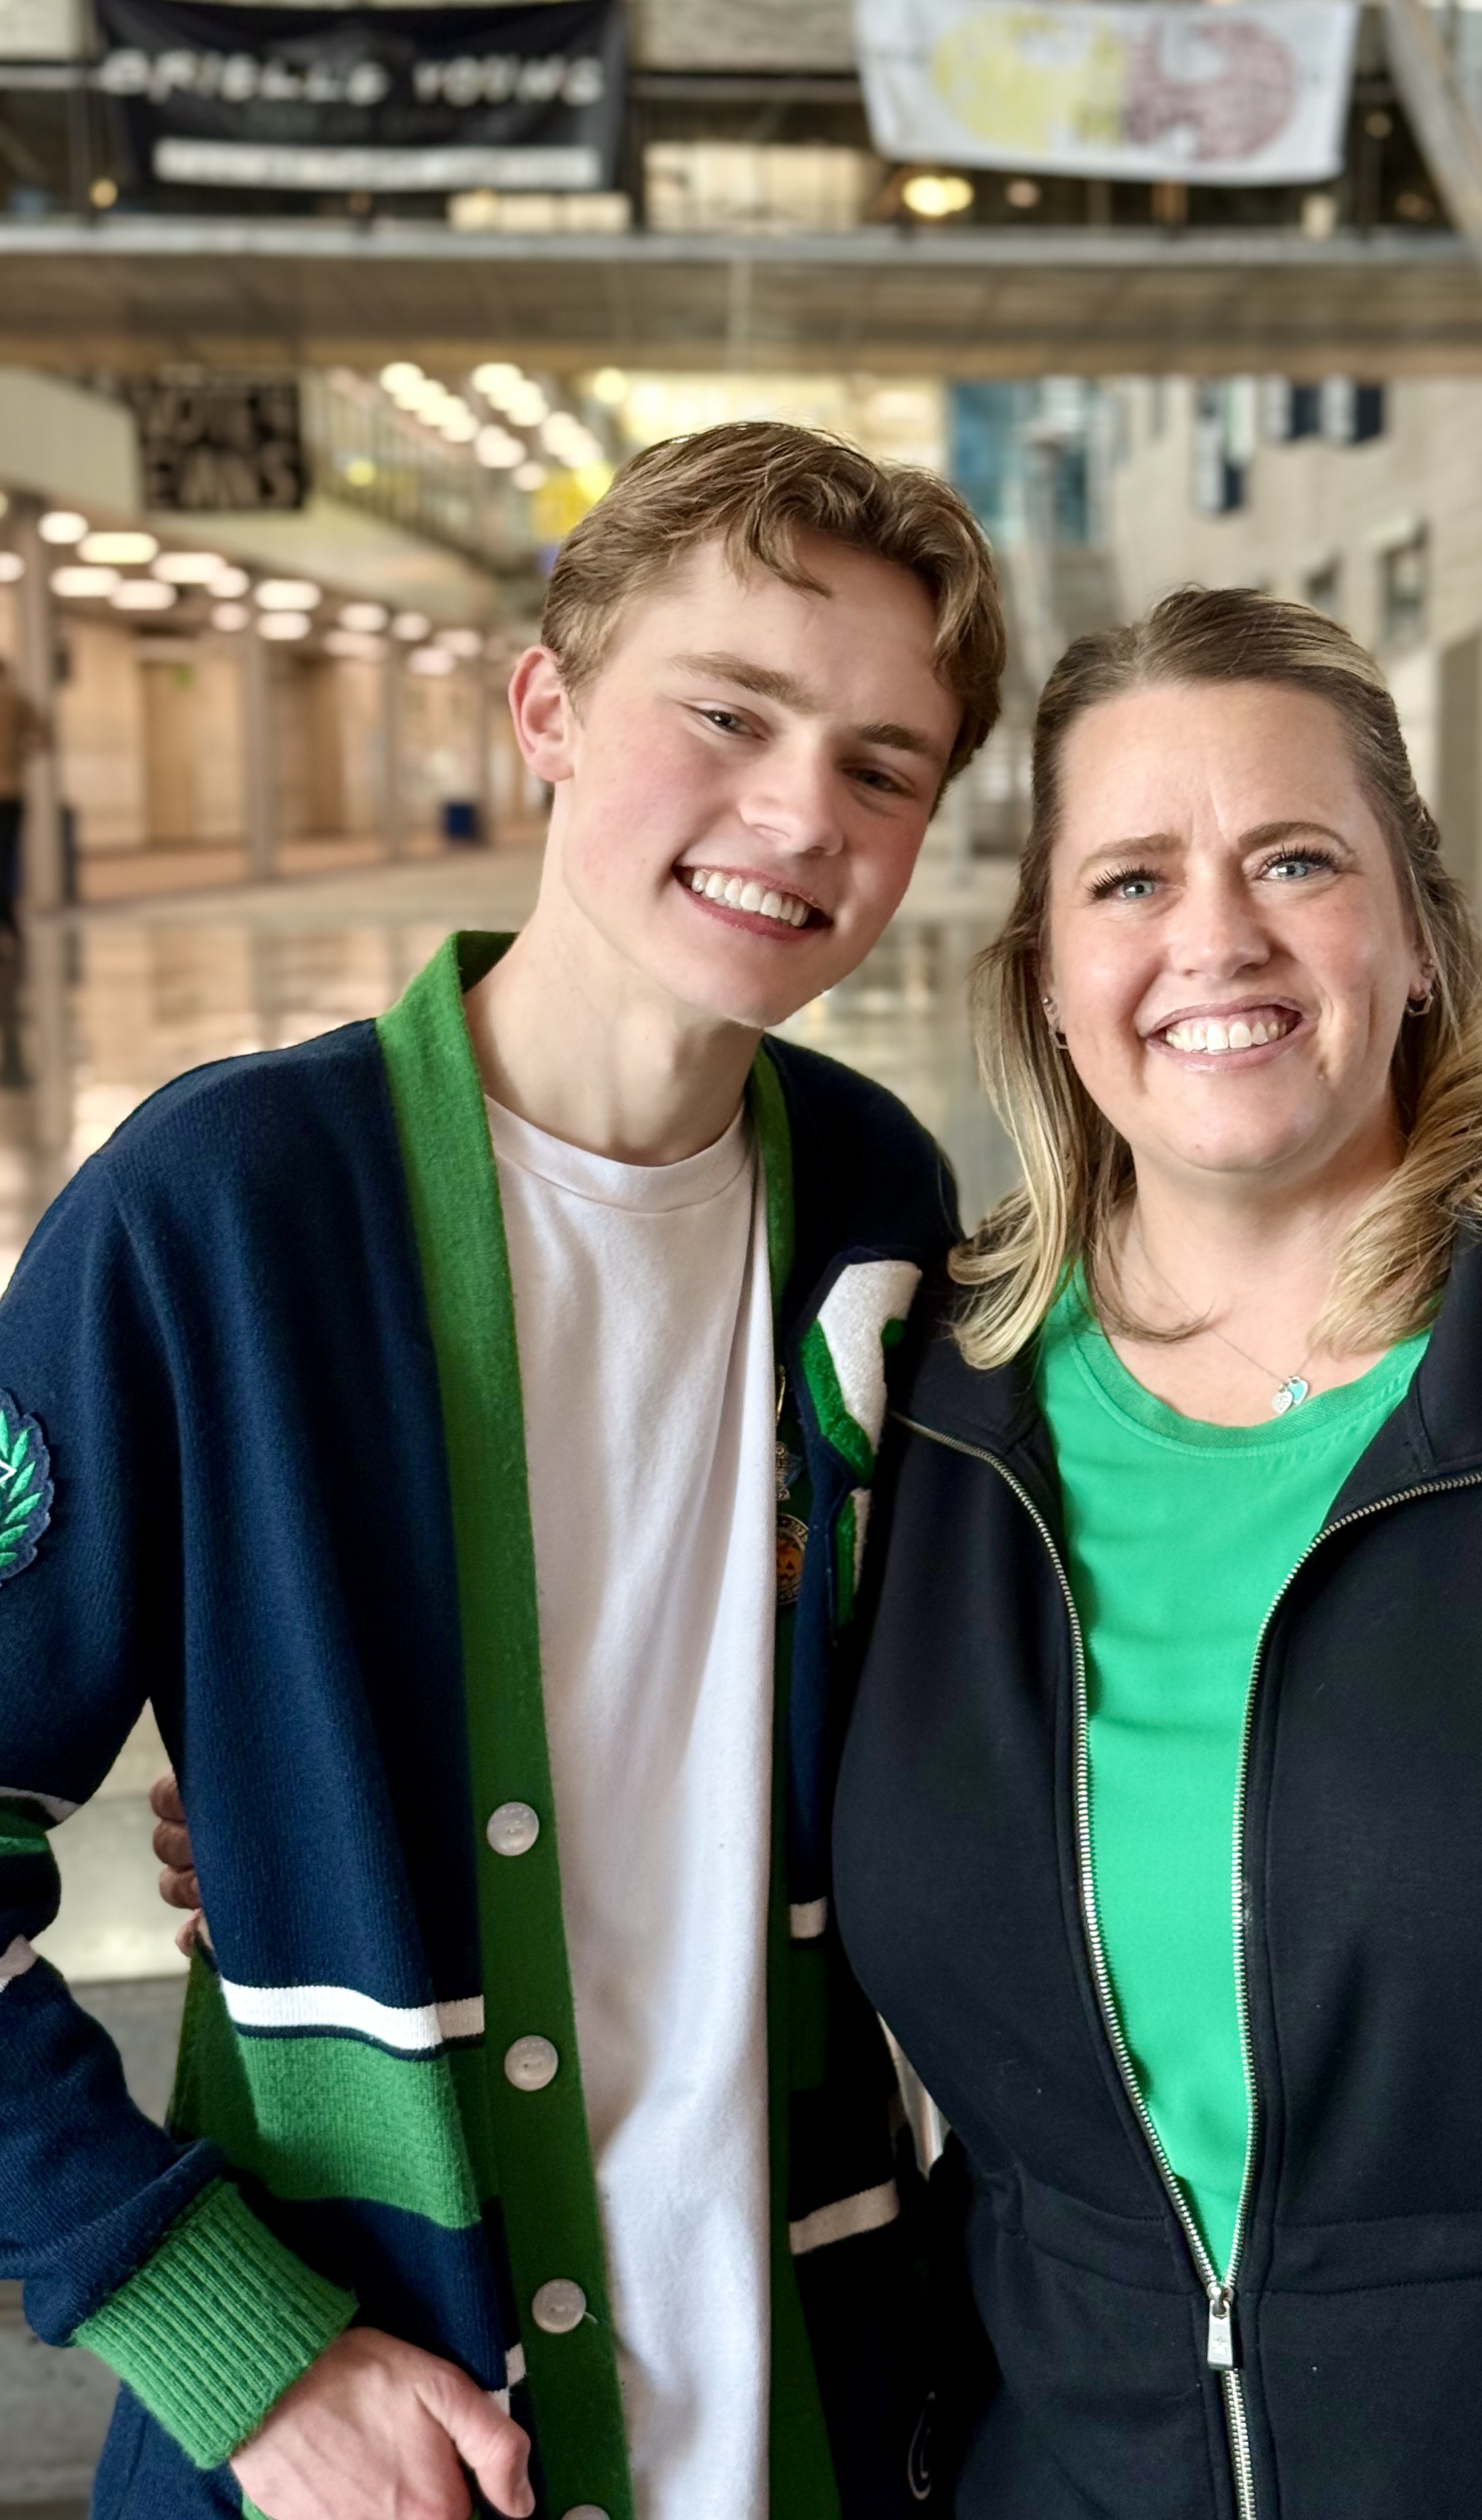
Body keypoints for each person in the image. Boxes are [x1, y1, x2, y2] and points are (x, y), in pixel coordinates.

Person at [0, 421, 1004, 2520]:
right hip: (380, 2435)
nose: (798, 810)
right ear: (545, 708)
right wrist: (233, 2343)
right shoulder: (225, 1212)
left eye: (883, 764)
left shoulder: (881, 1208)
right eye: (727, 712)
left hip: (829, 2411)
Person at [829, 589, 1482, 2518]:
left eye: (1295, 860)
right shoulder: (933, 1413)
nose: (1215, 937)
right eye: (1131, 879)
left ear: (1414, 932)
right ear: (1048, 971)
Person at [0, 652, 47, 930]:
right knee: (6, 855)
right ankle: (6, 913)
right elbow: (43, 739)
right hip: (10, 791)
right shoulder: (17, 701)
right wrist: (19, 754)